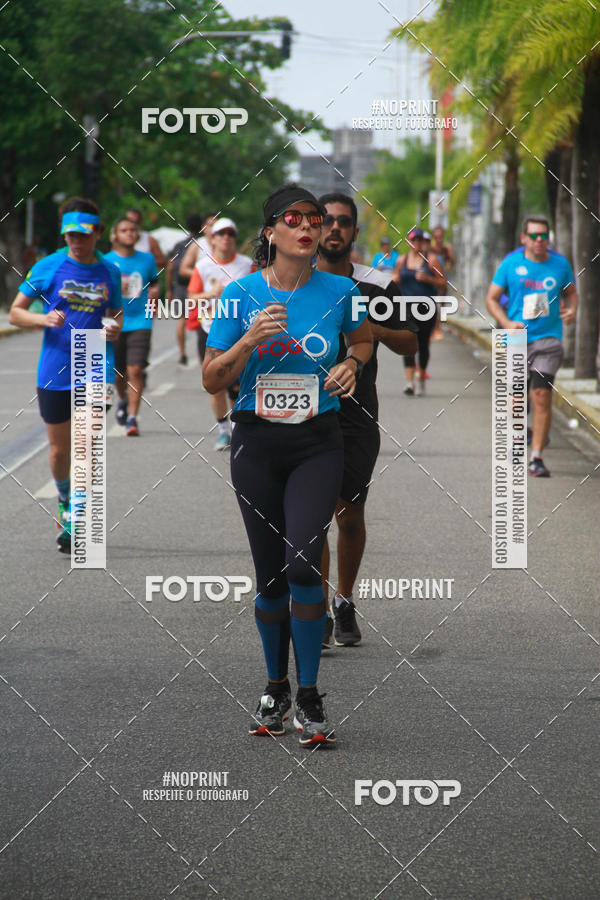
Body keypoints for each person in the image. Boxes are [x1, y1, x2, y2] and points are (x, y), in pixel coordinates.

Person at [203, 183, 372, 744]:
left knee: (303, 565)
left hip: (317, 442)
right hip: (256, 443)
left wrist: (350, 360)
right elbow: (212, 378)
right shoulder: (239, 295)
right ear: (270, 232)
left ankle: (310, 694)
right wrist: (247, 341)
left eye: (316, 219)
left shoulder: (340, 290)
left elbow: (365, 338)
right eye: (293, 218)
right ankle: (275, 684)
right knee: (271, 577)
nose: (309, 227)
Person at [317, 193, 418, 648]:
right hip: (307, 411)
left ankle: (344, 600)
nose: (334, 229)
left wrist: (370, 331)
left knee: (349, 514)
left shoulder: (377, 285)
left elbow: (409, 343)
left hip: (358, 414)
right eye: (327, 222)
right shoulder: (298, 281)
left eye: (343, 222)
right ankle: (314, 608)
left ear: (354, 232)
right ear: (314, 228)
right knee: (312, 515)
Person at [8, 197, 121, 551]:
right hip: (55, 367)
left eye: (84, 234)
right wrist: (43, 318)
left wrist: (114, 328)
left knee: (86, 447)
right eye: (70, 234)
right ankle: (63, 497)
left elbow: (116, 313)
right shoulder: (49, 266)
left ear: (98, 233)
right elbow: (15, 313)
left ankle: (76, 516)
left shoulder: (110, 271)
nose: (76, 240)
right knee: (59, 450)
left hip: (94, 363)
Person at [485, 215, 577, 477]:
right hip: (517, 339)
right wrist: (506, 322)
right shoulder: (511, 264)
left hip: (548, 340)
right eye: (534, 235)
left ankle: (536, 457)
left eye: (543, 236)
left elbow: (571, 293)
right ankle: (521, 435)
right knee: (516, 399)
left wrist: (572, 311)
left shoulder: (560, 265)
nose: (539, 240)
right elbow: (491, 299)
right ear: (524, 238)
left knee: (541, 395)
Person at [187, 217, 254, 450]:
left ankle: (237, 429)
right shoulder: (203, 266)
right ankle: (223, 430)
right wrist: (211, 293)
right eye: (220, 234)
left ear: (234, 238)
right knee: (214, 383)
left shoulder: (246, 264)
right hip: (209, 330)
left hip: (238, 332)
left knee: (237, 384)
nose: (226, 238)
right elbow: (191, 298)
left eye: (230, 234)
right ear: (212, 239)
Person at [105, 218, 158, 436]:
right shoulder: (105, 261)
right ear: (115, 235)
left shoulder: (147, 260)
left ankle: (133, 418)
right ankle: (124, 400)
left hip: (140, 321)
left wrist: (155, 293)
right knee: (118, 374)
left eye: (133, 230)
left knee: (136, 369)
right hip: (115, 322)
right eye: (124, 230)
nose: (129, 233)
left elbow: (154, 282)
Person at [394, 228, 446, 396]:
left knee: (422, 344)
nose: (417, 243)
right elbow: (396, 279)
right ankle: (409, 382)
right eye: (413, 240)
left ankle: (421, 379)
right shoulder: (402, 260)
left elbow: (443, 283)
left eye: (420, 240)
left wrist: (429, 279)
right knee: (407, 342)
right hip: (406, 307)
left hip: (426, 307)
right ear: (409, 243)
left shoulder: (432, 260)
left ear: (424, 242)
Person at [165, 213, 204, 366]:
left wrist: (168, 289)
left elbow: (170, 267)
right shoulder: (203, 244)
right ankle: (201, 352)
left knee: (181, 320)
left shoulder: (179, 245)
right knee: (201, 320)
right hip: (198, 287)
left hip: (180, 287)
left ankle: (182, 352)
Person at [178, 212, 218, 282]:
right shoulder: (197, 245)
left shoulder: (226, 243)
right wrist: (204, 275)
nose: (214, 229)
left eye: (217, 225)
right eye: (211, 225)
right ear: (203, 228)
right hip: (201, 288)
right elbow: (183, 270)